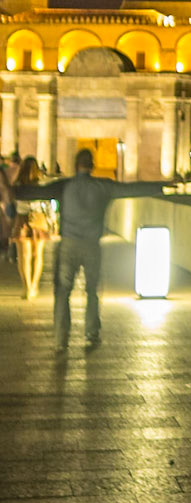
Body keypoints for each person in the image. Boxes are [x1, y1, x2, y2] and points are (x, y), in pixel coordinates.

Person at [13, 148, 175, 351]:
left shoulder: (65, 186)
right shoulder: (103, 186)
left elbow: (34, 192)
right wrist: (163, 185)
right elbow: (131, 189)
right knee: (92, 290)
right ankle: (91, 332)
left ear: (75, 165)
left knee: (63, 291)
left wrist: (11, 188)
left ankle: (60, 339)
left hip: (68, 245)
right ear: (92, 166)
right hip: (92, 246)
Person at [10, 155, 54, 300]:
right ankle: (33, 286)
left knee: (24, 256)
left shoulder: (16, 186)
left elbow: (12, 205)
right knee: (37, 255)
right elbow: (47, 205)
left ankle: (27, 287)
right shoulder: (41, 185)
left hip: (22, 218)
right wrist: (52, 222)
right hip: (39, 218)